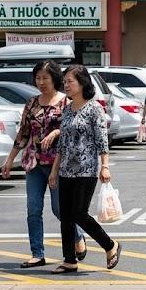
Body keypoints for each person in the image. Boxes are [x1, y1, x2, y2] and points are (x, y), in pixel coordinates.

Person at [1, 61, 86, 268]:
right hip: (34, 163)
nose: (41, 82)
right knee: (33, 209)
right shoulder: (31, 103)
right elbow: (23, 133)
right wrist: (10, 159)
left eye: (45, 78)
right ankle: (37, 253)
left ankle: (77, 236)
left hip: (59, 164)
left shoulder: (66, 102)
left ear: (55, 78)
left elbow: (73, 131)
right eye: (38, 78)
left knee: (60, 210)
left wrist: (56, 132)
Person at [48, 65, 121, 274]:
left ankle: (110, 245)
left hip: (86, 170)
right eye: (64, 82)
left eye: (70, 81)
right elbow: (62, 144)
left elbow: (102, 141)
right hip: (66, 170)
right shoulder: (67, 109)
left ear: (82, 83)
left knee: (79, 214)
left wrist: (105, 166)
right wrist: (54, 171)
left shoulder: (94, 108)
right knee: (66, 217)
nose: (66, 85)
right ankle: (69, 260)